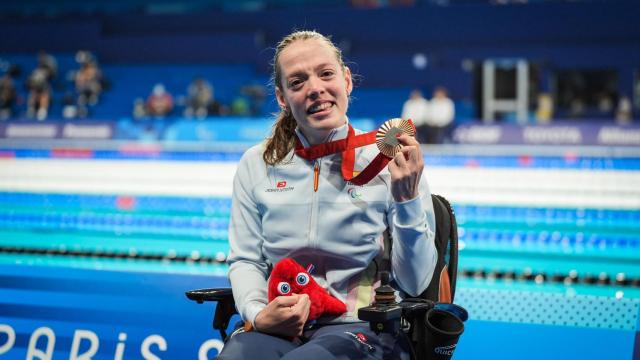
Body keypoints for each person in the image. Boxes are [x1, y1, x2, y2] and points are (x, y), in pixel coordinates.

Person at [219, 30, 437, 360]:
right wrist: (257, 313)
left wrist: (406, 201)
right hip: (279, 324)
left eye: (326, 74)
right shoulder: (256, 163)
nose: (315, 88)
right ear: (282, 98)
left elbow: (417, 283)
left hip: (362, 325)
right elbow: (246, 259)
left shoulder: (389, 161)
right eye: (297, 82)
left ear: (346, 81)